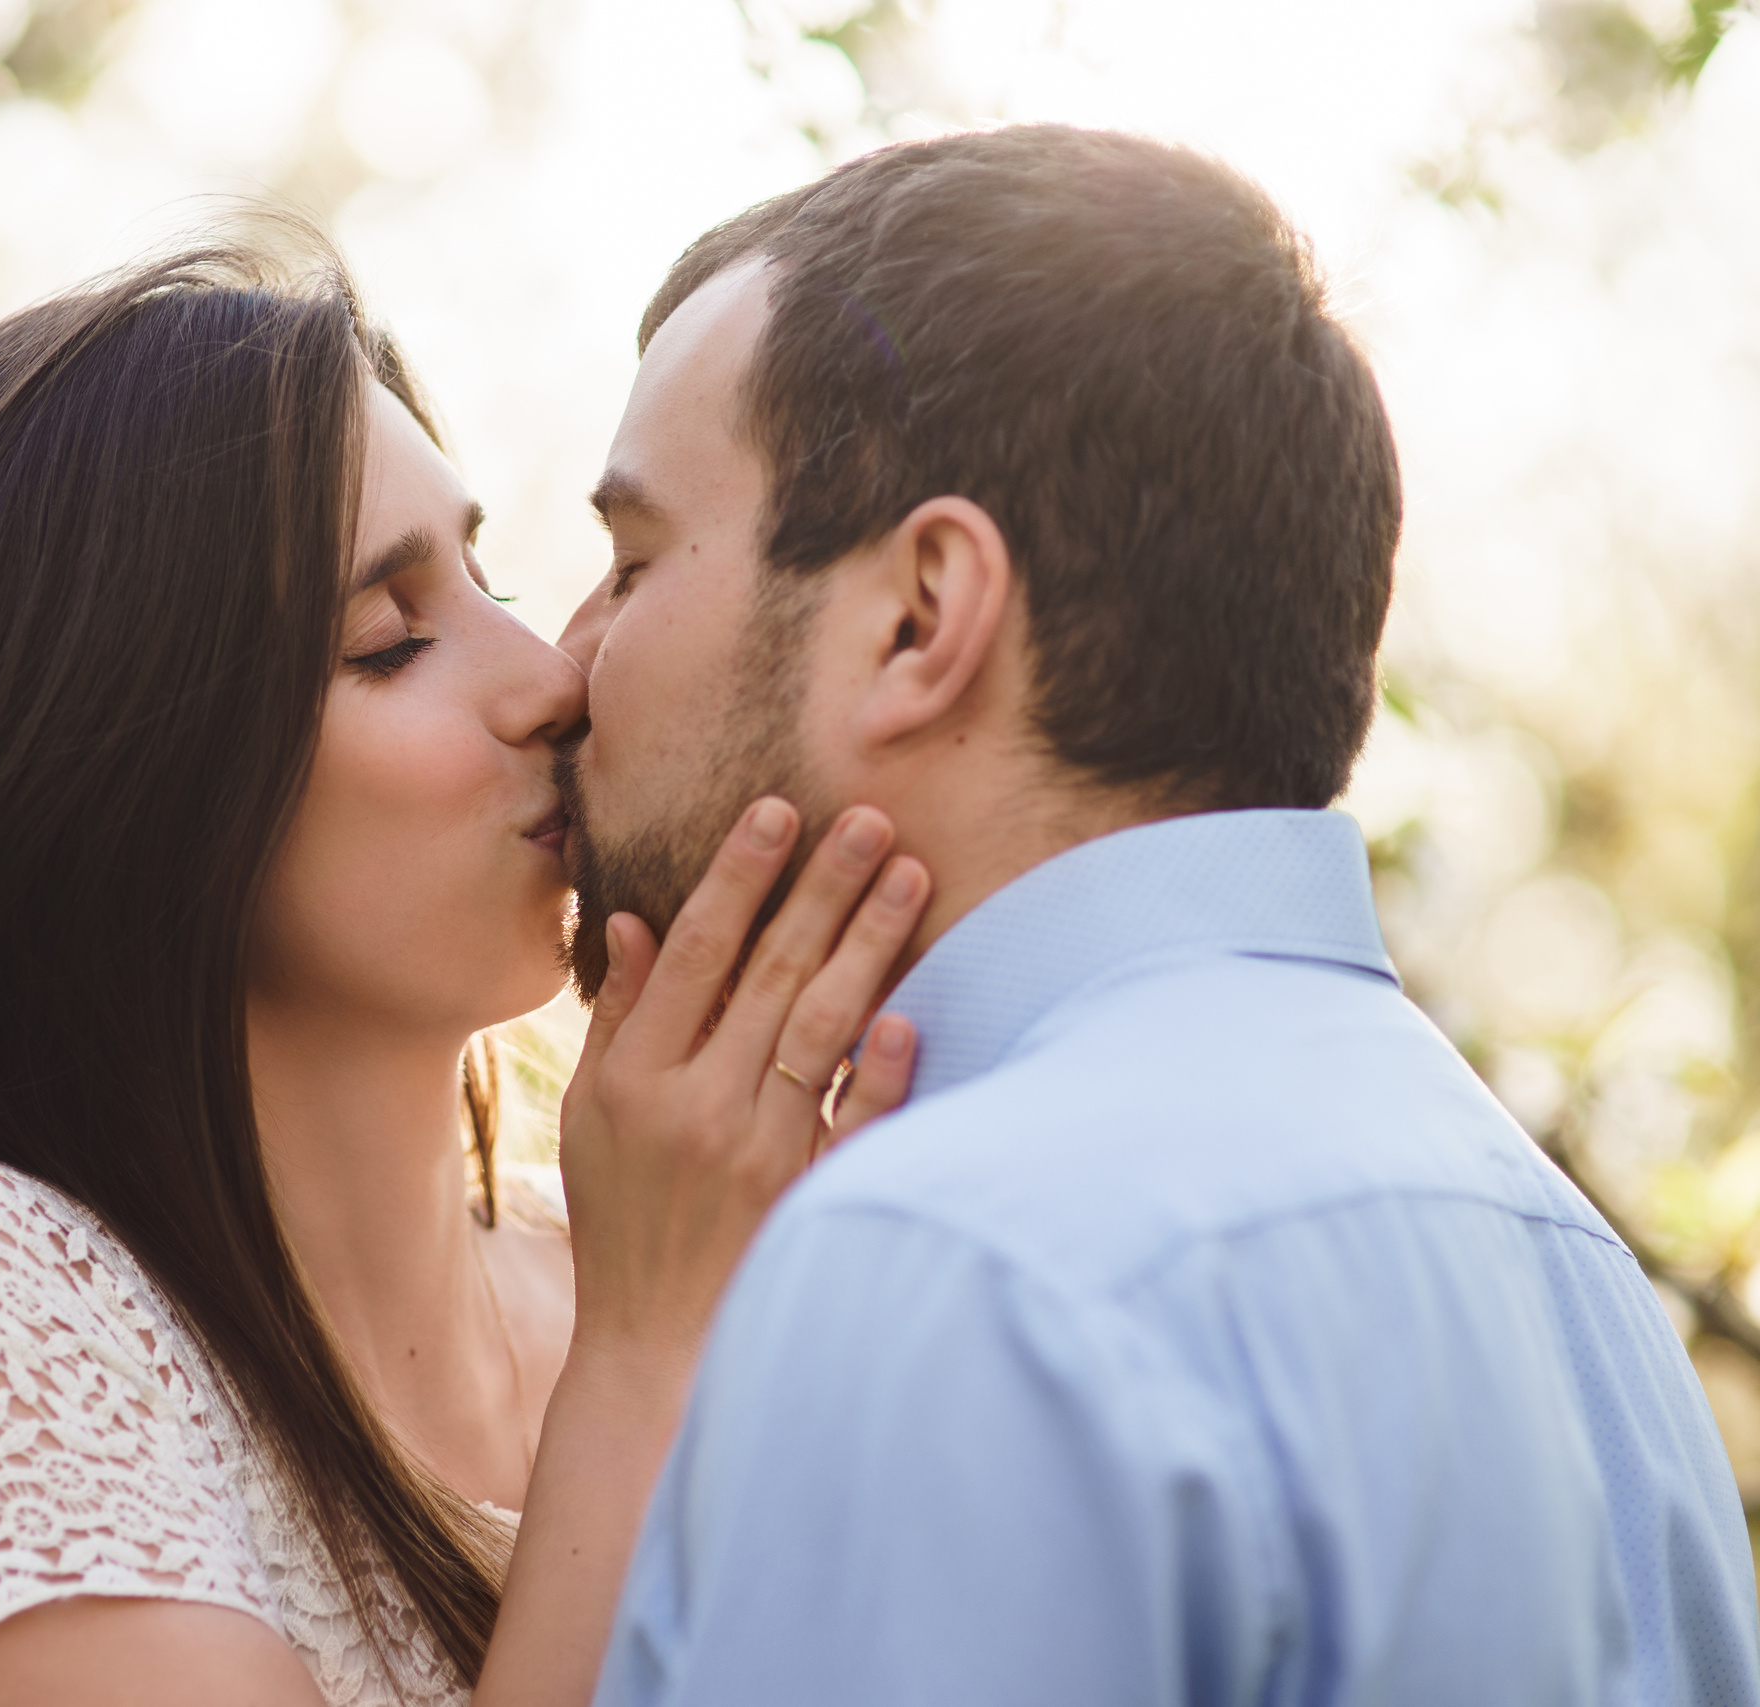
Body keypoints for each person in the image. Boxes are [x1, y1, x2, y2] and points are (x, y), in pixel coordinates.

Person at [0, 235, 928, 1707]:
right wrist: (652, 1358)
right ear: (109, 786)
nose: (552, 680)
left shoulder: (664, 1245)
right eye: (391, 642)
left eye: (494, 582)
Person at [556, 123, 1760, 1705]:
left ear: (922, 617)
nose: (567, 658)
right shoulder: (1583, 1288)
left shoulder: (953, 1264)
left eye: (632, 559)